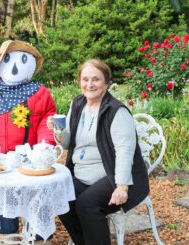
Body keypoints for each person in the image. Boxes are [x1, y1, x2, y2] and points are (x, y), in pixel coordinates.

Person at [47, 59, 149, 245]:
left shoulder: (116, 111)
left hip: (112, 176)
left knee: (87, 204)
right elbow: (68, 143)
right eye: (85, 79)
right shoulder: (77, 104)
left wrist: (122, 186)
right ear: (80, 82)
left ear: (107, 83)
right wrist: (58, 131)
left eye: (96, 79)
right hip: (81, 173)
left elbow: (124, 152)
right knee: (59, 197)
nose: (90, 84)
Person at [0, 40, 56, 244]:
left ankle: (38, 237)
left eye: (23, 60)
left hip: (29, 165)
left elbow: (46, 122)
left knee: (36, 204)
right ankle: (6, 237)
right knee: (4, 208)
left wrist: (43, 147)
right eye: (8, 59)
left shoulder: (40, 93)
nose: (14, 66)